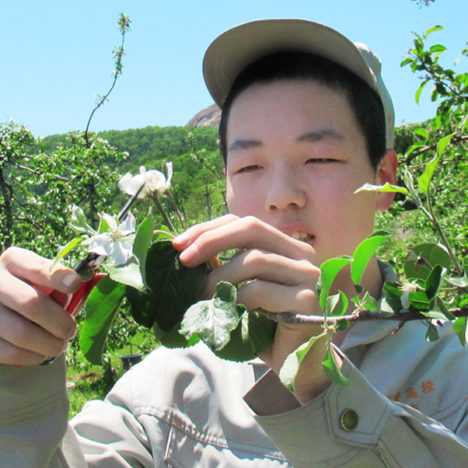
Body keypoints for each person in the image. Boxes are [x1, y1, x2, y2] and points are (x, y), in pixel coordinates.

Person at [1, 18, 467, 467]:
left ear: (385, 179)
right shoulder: (173, 387)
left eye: (319, 157)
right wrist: (15, 384)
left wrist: (320, 389)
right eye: (248, 167)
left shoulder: (451, 371)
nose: (281, 195)